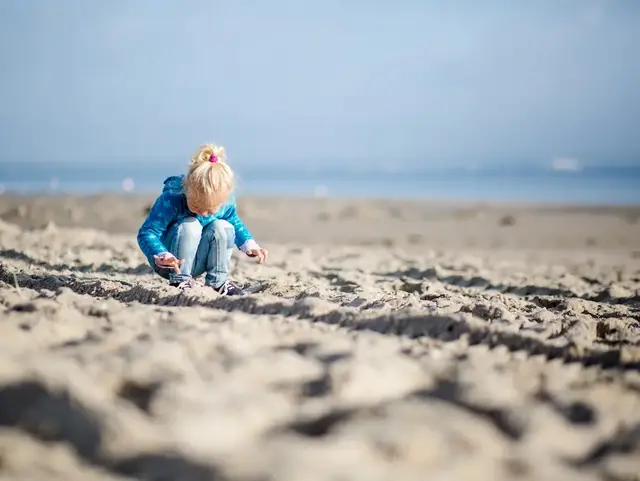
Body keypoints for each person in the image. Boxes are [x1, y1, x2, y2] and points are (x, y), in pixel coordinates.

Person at [137, 143, 268, 296]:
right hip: (170, 263)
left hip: (198, 261)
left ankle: (218, 282)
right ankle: (180, 281)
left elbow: (234, 221)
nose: (204, 213)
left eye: (211, 209)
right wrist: (161, 254)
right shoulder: (172, 199)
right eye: (197, 206)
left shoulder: (225, 202)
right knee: (190, 225)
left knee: (223, 226)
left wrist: (249, 245)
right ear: (187, 190)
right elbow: (147, 232)